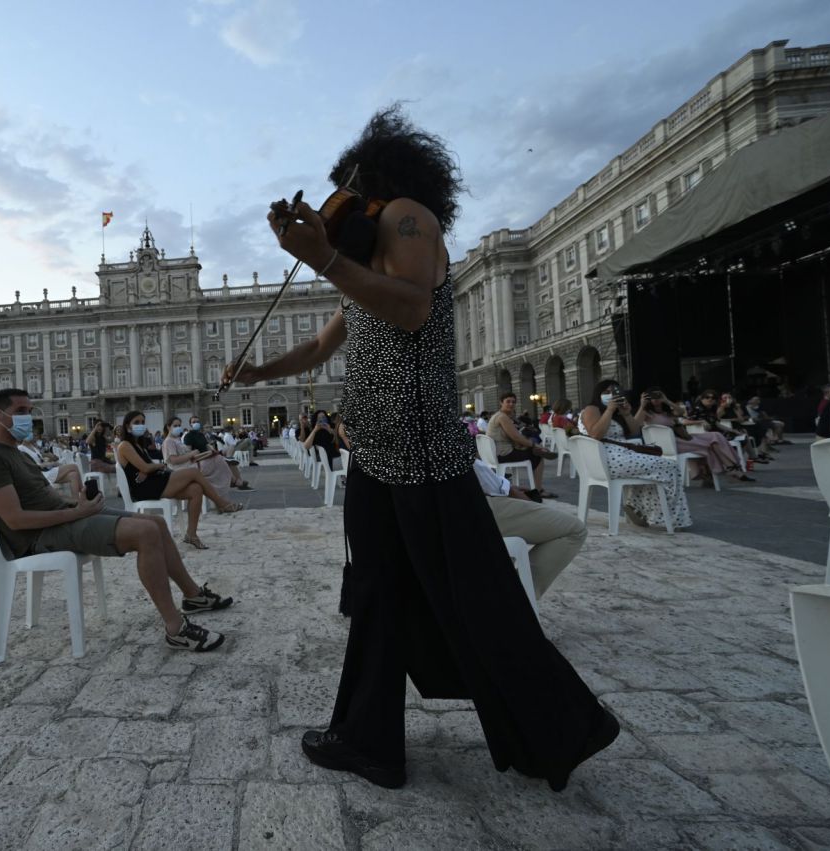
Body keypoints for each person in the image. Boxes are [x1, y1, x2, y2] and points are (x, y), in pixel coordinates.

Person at [225, 104, 616, 791]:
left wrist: (325, 255)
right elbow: (324, 344)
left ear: (380, 177)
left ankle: (563, 728)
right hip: (377, 451)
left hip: (421, 444)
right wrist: (259, 372)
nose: (344, 199)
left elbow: (410, 306)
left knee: (476, 595)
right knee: (375, 592)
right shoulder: (367, 251)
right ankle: (368, 738)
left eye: (351, 183)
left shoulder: (411, 219)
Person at [0, 389, 233, 651]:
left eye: (29, 410)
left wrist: (78, 503)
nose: (29, 418)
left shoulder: (16, 453)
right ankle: (176, 629)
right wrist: (76, 512)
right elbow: (16, 520)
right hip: (39, 537)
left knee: (157, 524)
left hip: (62, 520)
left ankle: (193, 596)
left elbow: (39, 497)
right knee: (145, 533)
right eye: (21, 412)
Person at [117, 411, 244, 550]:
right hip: (144, 487)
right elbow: (146, 467)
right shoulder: (125, 445)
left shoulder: (138, 444)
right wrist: (158, 466)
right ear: (128, 426)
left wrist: (151, 468)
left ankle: (191, 534)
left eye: (142, 422)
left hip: (154, 481)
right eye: (136, 423)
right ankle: (222, 503)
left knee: (196, 489)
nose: (141, 425)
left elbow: (146, 468)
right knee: (194, 472)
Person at [578, 379, 693, 529]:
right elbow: (596, 434)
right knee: (670, 466)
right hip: (607, 459)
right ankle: (671, 518)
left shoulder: (617, 412)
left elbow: (634, 432)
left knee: (654, 470)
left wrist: (626, 414)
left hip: (621, 457)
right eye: (606, 392)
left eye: (615, 392)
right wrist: (610, 410)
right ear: (598, 393)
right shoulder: (592, 409)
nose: (611, 395)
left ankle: (639, 509)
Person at [473, 460, 586, 598]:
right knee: (575, 530)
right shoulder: (450, 442)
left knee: (534, 456)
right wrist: (508, 487)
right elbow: (474, 468)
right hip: (468, 507)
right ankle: (518, 597)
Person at [639, 390, 749, 483]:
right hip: (669, 444)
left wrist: (666, 400)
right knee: (711, 443)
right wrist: (642, 405)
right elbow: (636, 423)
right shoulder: (646, 412)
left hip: (682, 438)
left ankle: (727, 469)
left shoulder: (666, 411)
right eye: (652, 397)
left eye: (658, 396)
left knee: (716, 436)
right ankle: (731, 468)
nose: (656, 399)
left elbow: (682, 412)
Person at [488, 393, 557, 498]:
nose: (511, 404)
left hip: (496, 453)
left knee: (532, 448)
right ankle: (539, 490)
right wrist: (533, 445)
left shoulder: (498, 416)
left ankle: (538, 449)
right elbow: (516, 437)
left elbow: (513, 437)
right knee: (538, 457)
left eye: (513, 402)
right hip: (504, 454)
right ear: (501, 402)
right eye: (508, 401)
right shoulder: (502, 417)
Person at [182, 415, 253, 491]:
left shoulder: (201, 435)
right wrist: (208, 453)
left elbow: (207, 446)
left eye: (197, 422)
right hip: (201, 458)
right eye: (194, 422)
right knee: (225, 461)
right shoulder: (188, 436)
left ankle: (230, 461)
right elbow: (189, 453)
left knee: (230, 448)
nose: (196, 423)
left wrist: (214, 451)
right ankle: (237, 481)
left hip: (209, 454)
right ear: (190, 424)